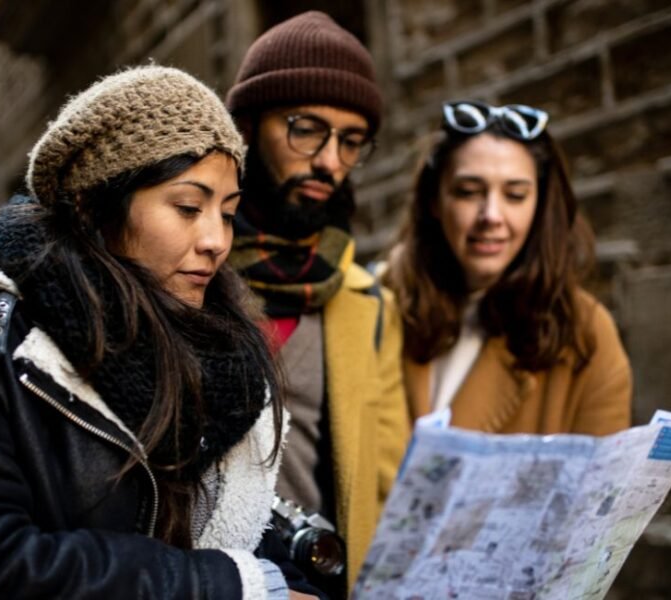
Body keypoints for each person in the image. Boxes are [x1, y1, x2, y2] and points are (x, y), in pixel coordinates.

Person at [0, 65, 321, 599]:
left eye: (227, 213)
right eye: (188, 207)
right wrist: (230, 586)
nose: (216, 241)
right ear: (94, 205)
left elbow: (258, 546)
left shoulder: (222, 355)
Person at [224, 11, 410, 594]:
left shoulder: (369, 305)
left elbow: (386, 485)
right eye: (306, 129)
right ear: (250, 126)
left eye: (351, 141)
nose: (329, 160)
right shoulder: (189, 269)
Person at [383, 100, 632, 435]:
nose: (491, 216)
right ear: (434, 202)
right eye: (468, 192)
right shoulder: (382, 305)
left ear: (540, 206)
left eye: (515, 195)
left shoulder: (585, 333)